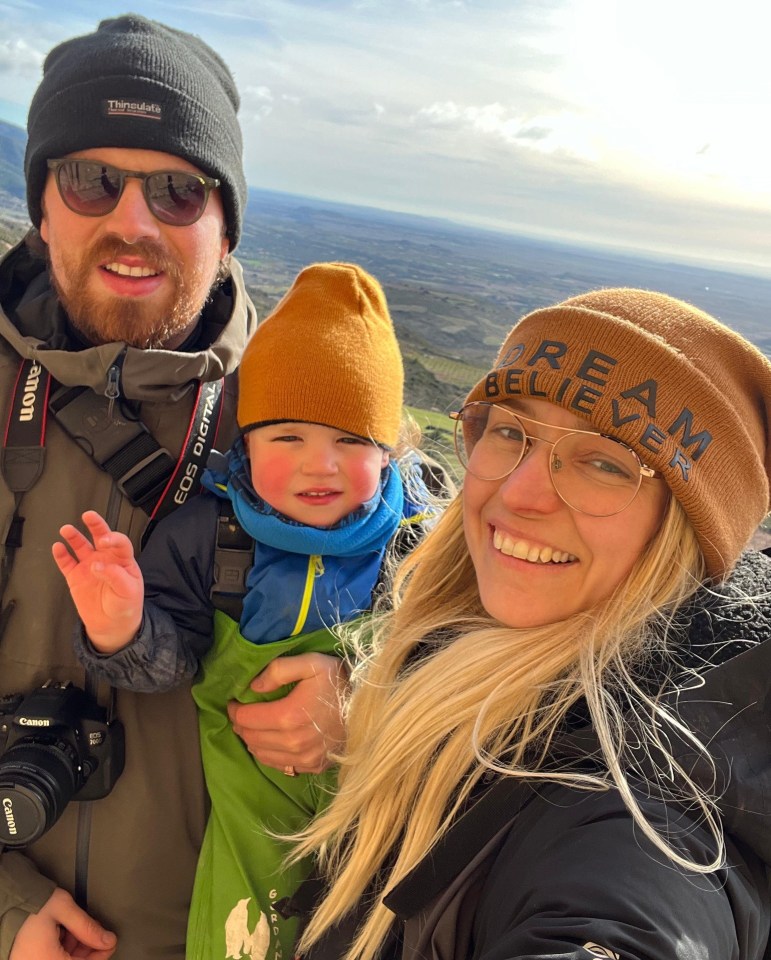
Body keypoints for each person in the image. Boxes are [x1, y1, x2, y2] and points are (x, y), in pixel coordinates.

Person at [285, 288, 771, 960]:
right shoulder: (452, 688)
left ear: (682, 534)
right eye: (509, 432)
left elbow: (632, 921)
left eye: (603, 463)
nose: (518, 493)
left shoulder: (639, 816)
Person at [53, 262, 437, 960]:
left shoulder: (423, 543)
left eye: (351, 441)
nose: (318, 465)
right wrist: (122, 629)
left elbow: (463, 655)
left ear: (388, 454)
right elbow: (172, 663)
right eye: (287, 437)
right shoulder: (210, 532)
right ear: (245, 442)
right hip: (249, 828)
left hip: (385, 817)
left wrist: (371, 690)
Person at [0, 14, 263, 959]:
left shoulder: (300, 434)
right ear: (41, 205)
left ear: (226, 225)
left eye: (179, 190)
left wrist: (347, 706)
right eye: (91, 179)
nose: (133, 221)